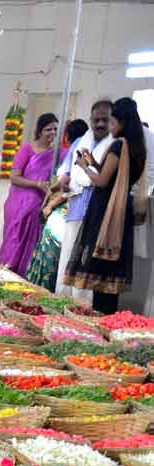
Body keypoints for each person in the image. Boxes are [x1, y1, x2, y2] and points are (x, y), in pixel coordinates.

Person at [63, 97, 147, 314]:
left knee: (100, 273)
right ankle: (109, 319)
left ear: (120, 122)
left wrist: (83, 165)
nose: (109, 126)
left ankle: (99, 318)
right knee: (111, 276)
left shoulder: (119, 145)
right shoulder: (138, 148)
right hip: (122, 212)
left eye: (111, 121)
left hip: (106, 213)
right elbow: (113, 175)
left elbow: (100, 181)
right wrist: (93, 162)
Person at [52, 100, 113, 301]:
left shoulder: (115, 145)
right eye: (97, 119)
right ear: (91, 120)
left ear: (112, 120)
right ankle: (62, 304)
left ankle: (82, 310)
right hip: (76, 208)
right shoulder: (79, 142)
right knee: (68, 257)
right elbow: (64, 171)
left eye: (105, 119)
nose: (101, 124)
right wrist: (64, 181)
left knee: (87, 263)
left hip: (99, 213)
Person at [26, 119, 89, 291]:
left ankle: (43, 288)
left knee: (51, 250)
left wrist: (50, 205)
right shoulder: (77, 152)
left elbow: (67, 188)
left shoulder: (76, 151)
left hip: (64, 211)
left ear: (67, 136)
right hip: (70, 210)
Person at [0, 112, 58, 275]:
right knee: (15, 239)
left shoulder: (56, 153)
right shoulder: (27, 150)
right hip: (19, 205)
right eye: (48, 129)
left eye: (55, 129)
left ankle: (24, 276)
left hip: (38, 206)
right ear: (39, 131)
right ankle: (6, 273)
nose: (52, 133)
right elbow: (14, 177)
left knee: (32, 242)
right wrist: (37, 184)